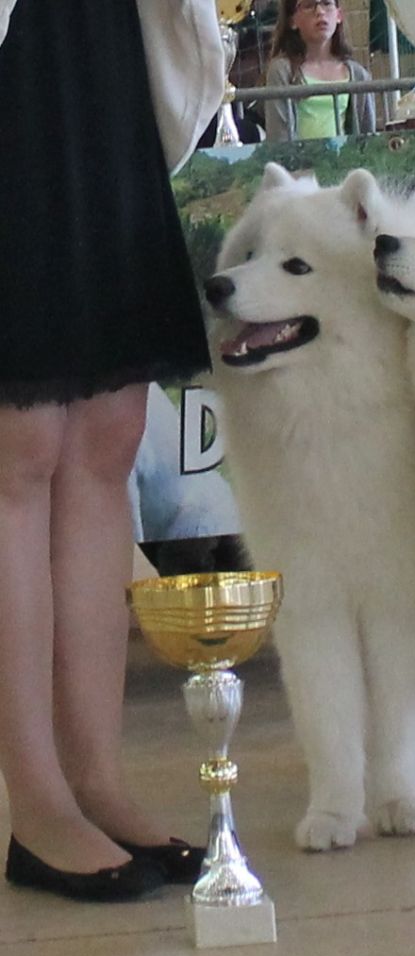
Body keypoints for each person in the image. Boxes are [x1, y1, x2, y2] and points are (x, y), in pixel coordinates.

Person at [0, 0, 223, 901]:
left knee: (107, 430)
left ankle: (96, 780)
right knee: (19, 438)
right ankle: (37, 799)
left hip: (101, 50)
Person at [264, 0, 376, 141]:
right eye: (309, 5)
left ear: (339, 15)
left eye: (327, 3)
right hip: (299, 161)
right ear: (293, 20)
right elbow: (278, 136)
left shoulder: (358, 74)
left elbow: (367, 136)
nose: (320, 12)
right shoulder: (282, 70)